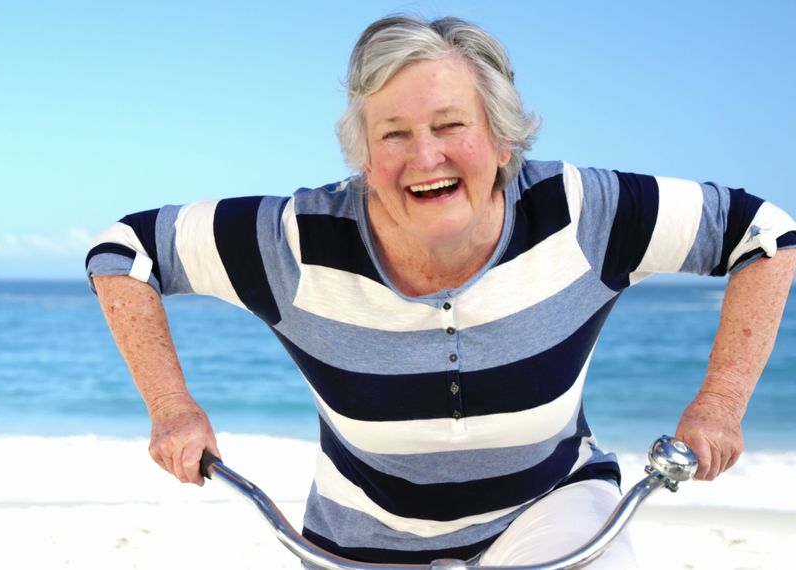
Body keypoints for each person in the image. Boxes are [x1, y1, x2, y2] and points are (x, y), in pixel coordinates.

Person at [84, 15, 796, 567]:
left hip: (551, 511)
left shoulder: (580, 212)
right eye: (392, 133)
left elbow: (764, 234)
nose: (425, 158)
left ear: (502, 140)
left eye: (451, 125)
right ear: (362, 156)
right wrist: (172, 408)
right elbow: (123, 250)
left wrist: (720, 403)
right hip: (356, 540)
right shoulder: (295, 241)